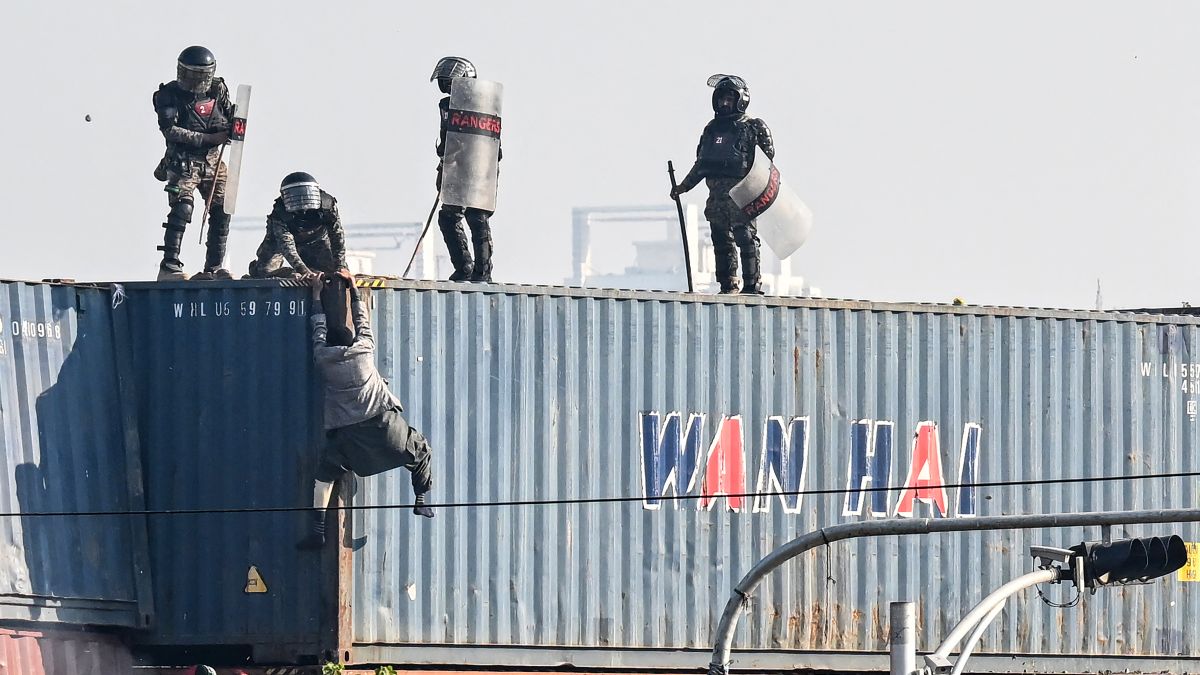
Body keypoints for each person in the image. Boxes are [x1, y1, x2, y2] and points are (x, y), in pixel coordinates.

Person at [298, 272, 434, 550]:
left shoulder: (323, 359)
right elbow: (363, 322)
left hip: (349, 437)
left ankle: (318, 530)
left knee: (324, 475)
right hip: (384, 426)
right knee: (420, 449)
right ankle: (421, 500)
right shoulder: (363, 351)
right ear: (350, 342)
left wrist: (315, 294)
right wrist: (354, 289)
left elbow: (317, 329)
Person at [670, 75, 775, 294]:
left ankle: (752, 285)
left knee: (745, 238)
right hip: (717, 198)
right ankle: (728, 285)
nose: (724, 104)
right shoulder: (711, 130)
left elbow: (767, 162)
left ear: (740, 99)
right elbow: (701, 165)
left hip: (742, 196)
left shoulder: (753, 128)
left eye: (729, 99)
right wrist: (683, 187)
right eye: (721, 99)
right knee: (721, 241)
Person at [152, 46, 234, 281]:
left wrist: (232, 129)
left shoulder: (218, 90)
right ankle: (169, 266)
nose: (194, 81)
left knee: (222, 210)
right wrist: (208, 138)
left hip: (213, 161)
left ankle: (215, 266)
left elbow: (230, 116)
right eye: (190, 75)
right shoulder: (168, 95)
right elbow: (170, 130)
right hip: (183, 161)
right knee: (182, 207)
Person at [431, 56, 497, 282]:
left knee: (477, 217)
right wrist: (443, 167)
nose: (446, 87)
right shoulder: (445, 106)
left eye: (450, 82)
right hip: (454, 167)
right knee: (448, 218)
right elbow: (446, 140)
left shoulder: (482, 105)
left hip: (478, 168)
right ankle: (464, 266)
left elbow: (489, 146)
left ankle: (483, 271)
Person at [246, 172, 348, 279]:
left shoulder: (327, 205)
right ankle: (287, 273)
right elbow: (286, 246)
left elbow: (337, 236)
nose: (302, 200)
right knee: (264, 272)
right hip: (277, 241)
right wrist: (304, 271)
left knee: (334, 272)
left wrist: (340, 266)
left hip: (317, 239)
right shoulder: (280, 213)